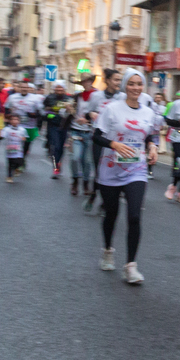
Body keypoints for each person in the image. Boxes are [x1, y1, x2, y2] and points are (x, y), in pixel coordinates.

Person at [94, 69, 158, 285]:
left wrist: (152, 147)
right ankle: (107, 250)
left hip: (136, 170)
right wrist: (114, 144)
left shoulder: (147, 112)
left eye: (139, 84)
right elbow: (96, 136)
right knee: (111, 214)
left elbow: (149, 134)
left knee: (134, 216)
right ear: (124, 86)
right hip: (111, 168)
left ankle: (131, 266)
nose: (135, 88)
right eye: (131, 83)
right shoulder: (112, 109)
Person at [78, 69, 122, 214]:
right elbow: (87, 114)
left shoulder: (122, 97)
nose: (118, 83)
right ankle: (94, 195)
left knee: (112, 172)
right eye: (116, 80)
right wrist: (91, 114)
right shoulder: (96, 96)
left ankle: (103, 201)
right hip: (98, 138)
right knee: (100, 170)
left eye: (120, 80)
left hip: (116, 140)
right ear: (107, 80)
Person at [43, 80, 74, 179]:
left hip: (65, 126)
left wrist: (69, 111)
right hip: (53, 126)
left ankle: (58, 163)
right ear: (54, 89)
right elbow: (46, 111)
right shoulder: (49, 98)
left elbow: (73, 113)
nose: (59, 89)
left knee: (61, 148)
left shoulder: (69, 98)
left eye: (61, 87)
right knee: (55, 147)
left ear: (64, 89)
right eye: (57, 87)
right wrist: (52, 115)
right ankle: (55, 168)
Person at [0, 110, 25, 183]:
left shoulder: (22, 130)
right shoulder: (7, 129)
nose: (15, 121)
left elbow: (24, 137)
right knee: (10, 163)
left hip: (18, 149)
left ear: (19, 121)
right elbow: (2, 136)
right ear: (10, 121)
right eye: (13, 119)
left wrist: (23, 138)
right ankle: (9, 176)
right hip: (10, 149)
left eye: (17, 119)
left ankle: (16, 169)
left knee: (20, 162)